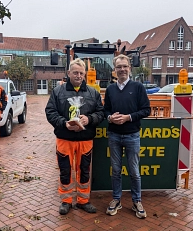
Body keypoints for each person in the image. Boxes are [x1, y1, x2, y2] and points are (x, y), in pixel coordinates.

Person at [45, 58, 104, 215]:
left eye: (81, 73)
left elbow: (101, 113)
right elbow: (50, 112)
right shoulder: (58, 92)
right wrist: (64, 123)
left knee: (84, 170)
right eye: (75, 72)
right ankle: (66, 201)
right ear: (69, 73)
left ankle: (83, 200)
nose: (78, 76)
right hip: (65, 138)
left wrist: (89, 119)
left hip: (85, 139)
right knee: (65, 170)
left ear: (84, 74)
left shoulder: (93, 93)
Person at [104, 54, 151, 219]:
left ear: (130, 68)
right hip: (114, 135)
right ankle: (116, 199)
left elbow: (146, 110)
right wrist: (110, 118)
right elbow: (106, 110)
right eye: (119, 67)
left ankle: (137, 200)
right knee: (116, 170)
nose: (122, 69)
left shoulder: (138, 87)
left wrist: (127, 117)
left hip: (132, 135)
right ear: (114, 70)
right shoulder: (110, 89)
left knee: (134, 171)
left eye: (125, 66)